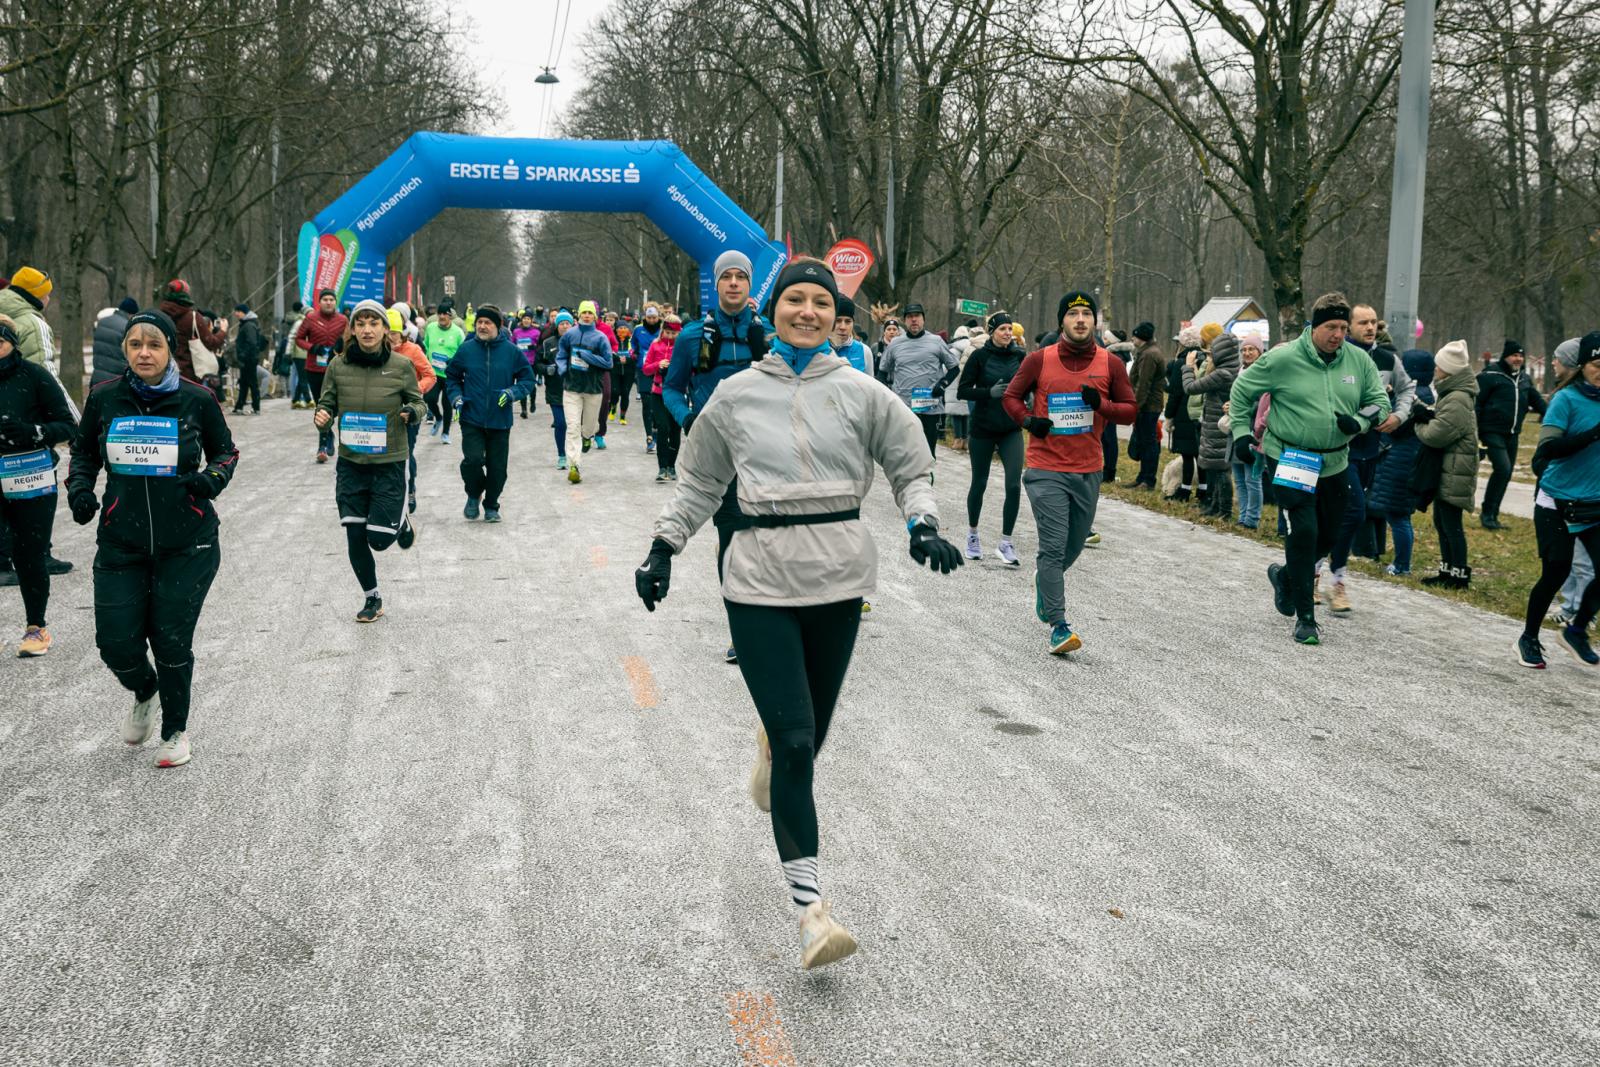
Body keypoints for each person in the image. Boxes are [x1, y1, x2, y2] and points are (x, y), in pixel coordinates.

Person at [634, 259, 961, 970]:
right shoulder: (736, 396)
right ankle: (812, 912)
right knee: (797, 741)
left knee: (806, 739)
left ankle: (774, 748)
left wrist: (923, 522)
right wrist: (664, 545)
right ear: (772, 310)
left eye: (820, 302)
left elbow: (911, 462)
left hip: (840, 577)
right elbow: (699, 479)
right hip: (757, 578)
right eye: (794, 300)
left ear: (834, 316)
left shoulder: (863, 392)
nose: (806, 311)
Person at [66, 309, 239, 768]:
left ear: (169, 351)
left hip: (188, 541)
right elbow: (83, 452)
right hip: (122, 541)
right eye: (135, 344)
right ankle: (145, 689)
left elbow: (226, 451)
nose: (145, 352)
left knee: (170, 640)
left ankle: (175, 731)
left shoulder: (197, 399)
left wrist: (211, 480)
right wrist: (80, 488)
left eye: (155, 344)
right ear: (125, 349)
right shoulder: (104, 398)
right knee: (115, 642)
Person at [1229, 292, 1390, 645]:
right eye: (1331, 326)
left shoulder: (1358, 361)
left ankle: (1286, 576)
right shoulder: (1283, 358)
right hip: (1291, 457)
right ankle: (1306, 617)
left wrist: (1359, 423)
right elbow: (1242, 391)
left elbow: (1380, 401)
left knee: (1329, 535)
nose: (1338, 334)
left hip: (1335, 461)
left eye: (1343, 327)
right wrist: (1242, 432)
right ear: (1314, 326)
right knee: (1303, 531)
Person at [1002, 290, 1137, 653]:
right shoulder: (1038, 360)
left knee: (1073, 546)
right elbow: (1011, 398)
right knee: (1053, 543)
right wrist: (1030, 422)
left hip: (1088, 469)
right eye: (1073, 313)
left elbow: (1130, 411)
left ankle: (1045, 583)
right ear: (1062, 320)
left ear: (1095, 321)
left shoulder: (1110, 363)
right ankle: (1059, 624)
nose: (1080, 320)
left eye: (1087, 314)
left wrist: (1102, 405)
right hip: (1046, 467)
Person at [662, 250, 771, 663]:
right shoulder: (692, 336)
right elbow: (672, 387)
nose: (733, 284)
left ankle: (775, 620)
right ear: (717, 284)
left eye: (740, 277)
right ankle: (742, 633)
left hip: (765, 454)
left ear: (749, 284)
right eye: (726, 277)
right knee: (733, 541)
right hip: (719, 456)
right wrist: (688, 418)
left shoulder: (769, 335)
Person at [313, 300, 424, 620]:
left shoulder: (401, 366)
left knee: (378, 539)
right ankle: (371, 597)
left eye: (373, 323)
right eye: (360, 323)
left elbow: (419, 403)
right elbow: (327, 403)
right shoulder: (337, 366)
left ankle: (399, 521)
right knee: (354, 533)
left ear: (385, 330)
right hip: (351, 463)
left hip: (389, 461)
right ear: (352, 330)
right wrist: (322, 416)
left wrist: (411, 412)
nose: (366, 329)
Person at [1319, 304, 1415, 612]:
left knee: (1345, 515)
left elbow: (1407, 389)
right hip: (1338, 447)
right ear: (1348, 326)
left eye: (1373, 322)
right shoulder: (1337, 356)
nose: (1370, 327)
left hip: (1371, 450)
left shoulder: (1388, 359)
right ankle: (1330, 579)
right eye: (1363, 322)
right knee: (1353, 513)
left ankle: (1327, 575)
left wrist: (1398, 416)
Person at [1518, 331, 1600, 667]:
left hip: (1594, 504)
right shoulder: (1565, 400)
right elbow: (1549, 450)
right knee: (1556, 571)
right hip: (1556, 502)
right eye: (1597, 364)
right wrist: (1594, 433)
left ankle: (1576, 630)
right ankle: (1528, 637)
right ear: (1582, 366)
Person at [0, 315, 77, 656]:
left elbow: (68, 425)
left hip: (30, 476)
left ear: (12, 344)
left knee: (29, 554)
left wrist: (34, 432)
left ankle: (36, 628)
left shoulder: (34, 376)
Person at [446, 304, 534, 521]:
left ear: (498, 326)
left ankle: (492, 505)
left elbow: (527, 379)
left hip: (500, 419)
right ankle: (474, 494)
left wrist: (512, 392)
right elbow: (453, 377)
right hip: (471, 416)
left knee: (498, 469)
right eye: (479, 323)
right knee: (473, 461)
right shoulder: (466, 349)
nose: (482, 326)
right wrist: (456, 398)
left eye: (487, 323)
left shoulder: (511, 352)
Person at [956, 311, 1026, 565]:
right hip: (983, 428)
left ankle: (1006, 542)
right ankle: (973, 535)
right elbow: (963, 391)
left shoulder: (1020, 356)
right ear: (992, 332)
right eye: (1002, 329)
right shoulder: (979, 356)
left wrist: (1027, 401)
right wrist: (989, 393)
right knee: (980, 483)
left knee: (1014, 485)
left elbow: (1030, 384)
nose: (1008, 333)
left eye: (1010, 329)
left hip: (1010, 428)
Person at [1412, 340, 1479, 589]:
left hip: (1455, 471)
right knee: (1442, 522)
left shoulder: (1458, 397)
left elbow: (1437, 435)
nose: (1435, 370)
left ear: (1448, 370)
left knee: (1451, 525)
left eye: (1438, 366)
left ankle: (1459, 575)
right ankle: (1447, 570)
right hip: (1450, 469)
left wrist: (1419, 422)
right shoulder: (1452, 394)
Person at [1367, 348, 1436, 576]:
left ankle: (1402, 565)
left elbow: (1394, 427)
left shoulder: (1413, 396)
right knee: (1398, 514)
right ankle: (1398, 560)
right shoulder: (1428, 394)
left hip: (1400, 460)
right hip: (1409, 459)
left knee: (1398, 516)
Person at [1477, 339, 1548, 530]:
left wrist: (1553, 414)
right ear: (1505, 356)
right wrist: (1476, 431)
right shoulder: (1490, 375)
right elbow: (1477, 403)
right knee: (1503, 469)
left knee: (1505, 474)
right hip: (1491, 430)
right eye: (1514, 355)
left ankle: (1493, 514)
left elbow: (1537, 400)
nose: (1518, 359)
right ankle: (1486, 513)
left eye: (1520, 355)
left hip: (1513, 433)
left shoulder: (1524, 379)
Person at [879, 302, 960, 459]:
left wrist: (942, 385)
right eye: (910, 317)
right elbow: (882, 373)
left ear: (923, 319)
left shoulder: (936, 341)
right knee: (904, 451)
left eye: (917, 316)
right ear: (905, 321)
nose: (914, 320)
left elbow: (954, 368)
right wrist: (887, 394)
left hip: (929, 405)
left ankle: (926, 481)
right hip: (903, 406)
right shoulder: (895, 343)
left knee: (928, 453)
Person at [1183, 331, 1241, 518]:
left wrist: (1188, 367)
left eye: (1211, 353)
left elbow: (1191, 388)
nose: (1209, 356)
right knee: (1215, 468)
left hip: (1218, 427)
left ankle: (1224, 510)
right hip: (1215, 424)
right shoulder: (1231, 369)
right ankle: (1215, 506)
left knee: (1220, 469)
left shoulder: (1222, 373)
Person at [556, 300, 614, 482]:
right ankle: (574, 466)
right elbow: (561, 355)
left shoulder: (600, 338)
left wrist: (588, 357)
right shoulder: (569, 335)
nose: (587, 315)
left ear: (595, 316)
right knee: (572, 428)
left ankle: (588, 435)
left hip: (593, 390)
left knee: (587, 427)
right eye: (584, 312)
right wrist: (562, 368)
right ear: (579, 315)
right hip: (571, 389)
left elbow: (608, 363)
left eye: (590, 313)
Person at [388, 307, 436, 514]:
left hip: (410, 411)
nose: (390, 338)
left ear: (403, 332)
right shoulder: (377, 352)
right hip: (384, 412)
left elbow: (430, 375)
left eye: (394, 334)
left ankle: (410, 489)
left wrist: (416, 389)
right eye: (386, 333)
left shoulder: (413, 350)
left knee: (406, 451)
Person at [294, 288, 347, 461]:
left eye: (332, 299)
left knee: (337, 406)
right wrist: (312, 347)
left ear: (335, 302)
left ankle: (328, 429)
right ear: (319, 302)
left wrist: (340, 347)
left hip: (337, 369)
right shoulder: (310, 319)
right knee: (321, 406)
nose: (329, 302)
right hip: (314, 369)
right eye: (325, 300)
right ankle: (323, 445)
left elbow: (350, 340)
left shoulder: (342, 320)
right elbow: (299, 339)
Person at [157, 279, 228, 387]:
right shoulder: (192, 317)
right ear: (186, 295)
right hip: (188, 374)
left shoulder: (159, 316)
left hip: (163, 371)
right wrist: (223, 331)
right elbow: (211, 342)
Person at [641, 314, 682, 482]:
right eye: (667, 333)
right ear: (662, 331)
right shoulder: (655, 345)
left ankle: (672, 466)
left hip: (678, 393)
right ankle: (662, 467)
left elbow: (691, 370)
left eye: (674, 334)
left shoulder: (682, 347)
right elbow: (646, 369)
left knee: (675, 431)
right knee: (663, 428)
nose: (670, 336)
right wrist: (658, 365)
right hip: (658, 393)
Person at [1230, 337, 1266, 527]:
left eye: (1252, 349)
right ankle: (1242, 516)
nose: (1247, 353)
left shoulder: (1263, 373)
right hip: (1238, 431)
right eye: (1244, 350)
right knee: (1239, 478)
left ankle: (1252, 519)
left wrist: (1238, 407)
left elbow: (1262, 401)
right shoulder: (1240, 371)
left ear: (1260, 352)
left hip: (1255, 431)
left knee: (1252, 478)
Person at [1126, 321, 1167, 489]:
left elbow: (1144, 384)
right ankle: (1142, 476)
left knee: (1149, 443)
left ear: (1141, 337)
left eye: (1134, 335)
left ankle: (1148, 479)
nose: (1132, 338)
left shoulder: (1149, 354)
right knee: (1144, 441)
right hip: (1148, 405)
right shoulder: (1146, 352)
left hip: (1148, 406)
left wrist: (1136, 406)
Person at [1165, 325, 1204, 501]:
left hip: (1183, 413)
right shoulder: (1206, 360)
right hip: (1202, 412)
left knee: (1187, 455)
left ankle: (1185, 490)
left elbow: (1175, 392)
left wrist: (1169, 415)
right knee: (1201, 454)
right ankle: (1203, 489)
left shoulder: (1181, 363)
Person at [422, 302, 466, 444]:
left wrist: (453, 361)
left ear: (450, 316)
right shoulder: (430, 328)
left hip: (450, 376)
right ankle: (438, 418)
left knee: (447, 404)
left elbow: (463, 353)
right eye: (439, 313)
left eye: (444, 314)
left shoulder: (458, 332)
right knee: (429, 398)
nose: (441, 316)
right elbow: (426, 345)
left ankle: (445, 433)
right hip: (433, 373)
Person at [0, 267, 57, 369]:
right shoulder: (34, 326)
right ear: (37, 297)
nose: (49, 299)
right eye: (46, 295)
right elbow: (44, 371)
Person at [537, 311, 573, 470]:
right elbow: (537, 364)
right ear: (557, 326)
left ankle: (574, 454)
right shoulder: (548, 343)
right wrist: (546, 369)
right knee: (560, 424)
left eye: (568, 323)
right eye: (562, 323)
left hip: (575, 390)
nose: (565, 326)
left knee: (574, 426)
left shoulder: (578, 341)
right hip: (555, 390)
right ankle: (562, 456)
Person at [631, 305, 663, 451]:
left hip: (660, 370)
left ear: (658, 317)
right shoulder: (638, 329)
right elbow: (633, 344)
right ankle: (649, 436)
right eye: (649, 317)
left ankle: (656, 429)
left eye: (654, 317)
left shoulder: (663, 329)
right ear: (645, 317)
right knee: (646, 402)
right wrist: (633, 353)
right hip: (644, 370)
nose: (651, 320)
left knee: (656, 403)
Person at [91, 298, 140, 387]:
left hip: (97, 377)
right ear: (131, 313)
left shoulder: (101, 323)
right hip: (115, 380)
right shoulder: (127, 327)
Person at [230, 304, 266, 414]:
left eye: (238, 311)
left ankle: (255, 407)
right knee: (245, 383)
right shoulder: (247, 323)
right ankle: (240, 406)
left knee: (252, 383)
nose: (236, 314)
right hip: (248, 359)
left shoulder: (248, 325)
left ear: (243, 312)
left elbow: (252, 343)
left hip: (249, 360)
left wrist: (243, 355)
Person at [830, 296, 873, 376]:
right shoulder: (817, 348)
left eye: (848, 321)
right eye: (838, 321)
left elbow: (870, 386)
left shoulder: (864, 351)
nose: (843, 327)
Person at [511, 310, 542, 420]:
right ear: (521, 319)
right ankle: (524, 409)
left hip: (532, 362)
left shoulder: (536, 332)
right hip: (520, 363)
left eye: (528, 319)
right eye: (524, 318)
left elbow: (540, 347)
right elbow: (512, 345)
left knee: (531, 385)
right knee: (521, 385)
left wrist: (534, 347)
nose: (526, 320)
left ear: (531, 320)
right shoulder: (516, 332)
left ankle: (532, 402)